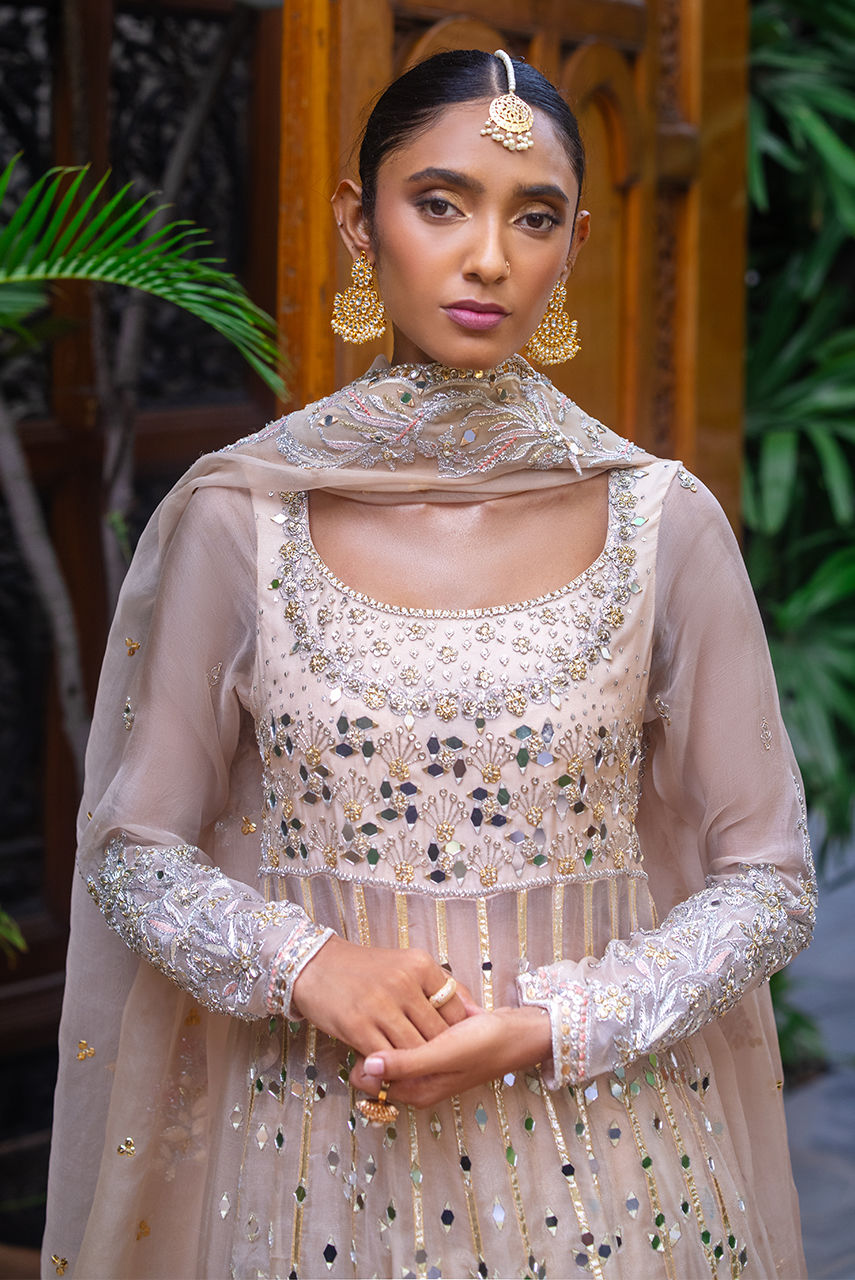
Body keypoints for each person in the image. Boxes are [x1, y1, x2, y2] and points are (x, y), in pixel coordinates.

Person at [43, 48, 815, 1280]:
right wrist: (308, 963)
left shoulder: (661, 521)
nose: (489, 257)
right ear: (361, 220)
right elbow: (134, 851)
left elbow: (768, 879)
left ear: (573, 245)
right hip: (312, 1163)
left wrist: (554, 1021)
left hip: (609, 1173)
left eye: (535, 216)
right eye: (442, 202)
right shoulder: (245, 517)